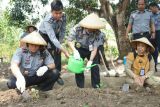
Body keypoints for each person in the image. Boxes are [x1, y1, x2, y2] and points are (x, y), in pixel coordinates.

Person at [67, 13, 105, 88]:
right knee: (78, 66)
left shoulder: (98, 33)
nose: (93, 29)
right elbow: (69, 41)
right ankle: (80, 87)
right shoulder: (77, 28)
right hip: (79, 48)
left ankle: (96, 86)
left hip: (91, 50)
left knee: (95, 66)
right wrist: (75, 51)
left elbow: (95, 48)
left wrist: (90, 61)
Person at [39, 0, 69, 85]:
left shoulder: (64, 16)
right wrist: (65, 50)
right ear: (51, 11)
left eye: (60, 12)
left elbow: (63, 31)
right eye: (56, 13)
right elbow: (51, 37)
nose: (58, 15)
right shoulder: (47, 20)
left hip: (55, 34)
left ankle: (57, 75)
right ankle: (43, 76)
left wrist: (60, 44)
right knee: (43, 54)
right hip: (44, 34)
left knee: (58, 51)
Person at [149, 2, 160, 71]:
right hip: (152, 34)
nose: (150, 10)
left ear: (155, 7)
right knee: (153, 50)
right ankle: (154, 66)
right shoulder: (150, 15)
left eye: (151, 9)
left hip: (159, 33)